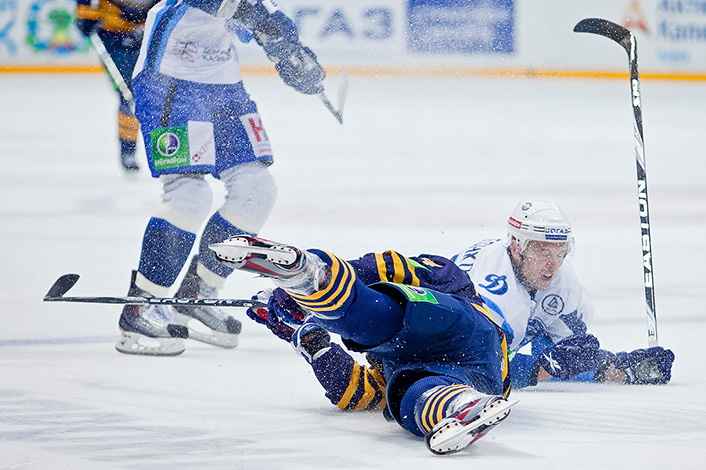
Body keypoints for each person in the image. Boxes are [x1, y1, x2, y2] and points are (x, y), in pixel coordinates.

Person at [114, 0, 326, 356]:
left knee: (257, 190)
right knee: (189, 195)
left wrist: (292, 51)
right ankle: (142, 305)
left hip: (224, 83)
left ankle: (198, 292)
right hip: (171, 77)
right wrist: (271, 33)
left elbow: (262, 11)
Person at [209, 236, 518, 455]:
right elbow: (359, 393)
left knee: (374, 323)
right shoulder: (396, 354)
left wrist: (317, 306)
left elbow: (390, 266)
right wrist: (309, 339)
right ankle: (460, 405)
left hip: (469, 336)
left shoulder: (456, 285)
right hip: (462, 375)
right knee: (409, 393)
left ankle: (310, 280)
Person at [451, 200, 674, 388]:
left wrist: (615, 367)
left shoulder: (562, 283)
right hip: (450, 345)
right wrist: (541, 368)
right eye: (544, 253)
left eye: (560, 253)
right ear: (516, 248)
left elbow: (569, 354)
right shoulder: (495, 293)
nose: (553, 266)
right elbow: (479, 365)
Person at [75, 0, 159, 172]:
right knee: (129, 95)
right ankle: (129, 151)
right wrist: (85, 12)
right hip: (112, 36)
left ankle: (168, 148)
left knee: (159, 95)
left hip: (147, 33)